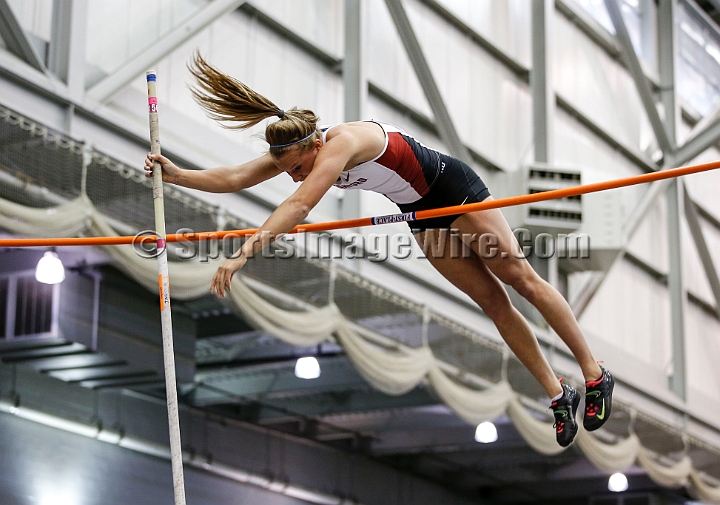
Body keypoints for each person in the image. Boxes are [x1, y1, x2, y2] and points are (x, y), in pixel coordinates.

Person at [144, 53, 613, 447]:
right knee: (491, 302)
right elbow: (233, 178)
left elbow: (301, 204)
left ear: (315, 147)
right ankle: (558, 395)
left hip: (454, 191)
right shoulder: (296, 149)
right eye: (286, 169)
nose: (293, 174)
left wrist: (243, 253)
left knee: (520, 280)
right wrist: (177, 174)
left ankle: (594, 375)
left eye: (297, 167)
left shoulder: (340, 144)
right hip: (419, 213)